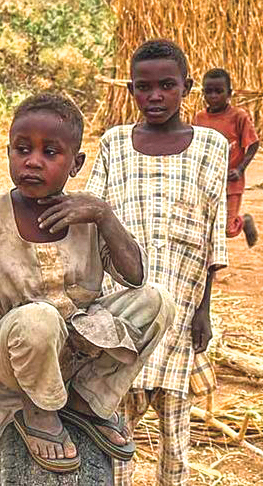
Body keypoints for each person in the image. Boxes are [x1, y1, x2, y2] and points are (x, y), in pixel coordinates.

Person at [0, 93, 173, 474]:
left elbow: (134, 276)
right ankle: (40, 412)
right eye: (22, 149)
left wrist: (103, 216)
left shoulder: (86, 215)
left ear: (76, 163)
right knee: (38, 319)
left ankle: (87, 401)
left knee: (157, 301)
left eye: (50, 153)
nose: (32, 161)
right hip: (12, 350)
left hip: (76, 347)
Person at [84, 39, 229, 486]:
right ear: (132, 90)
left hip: (183, 303)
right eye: (144, 87)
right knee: (117, 415)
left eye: (167, 85)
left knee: (174, 421)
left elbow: (212, 230)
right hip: (122, 305)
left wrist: (204, 310)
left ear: (186, 87)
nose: (156, 96)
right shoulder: (114, 144)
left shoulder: (211, 146)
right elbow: (92, 218)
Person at [192, 68, 260, 247]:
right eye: (209, 91)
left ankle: (244, 221)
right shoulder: (199, 119)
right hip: (207, 181)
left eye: (219, 91)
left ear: (229, 93)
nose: (213, 96)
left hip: (231, 182)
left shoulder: (239, 117)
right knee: (206, 226)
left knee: (228, 229)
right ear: (202, 93)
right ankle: (209, 268)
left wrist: (240, 168)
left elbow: (253, 144)